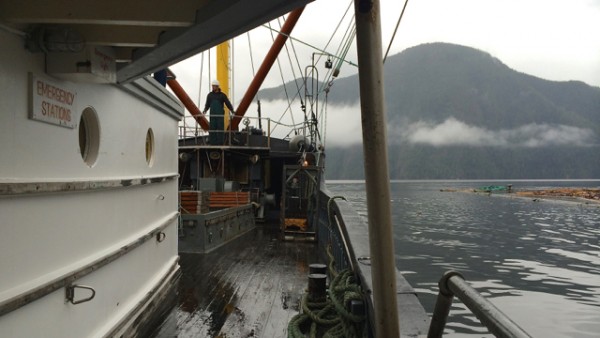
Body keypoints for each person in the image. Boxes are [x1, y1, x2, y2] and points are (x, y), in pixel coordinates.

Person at [203, 80, 234, 144]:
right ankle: (212, 142)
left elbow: (227, 103)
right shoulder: (210, 95)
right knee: (212, 129)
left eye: (214, 86)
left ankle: (220, 142)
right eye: (212, 86)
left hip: (220, 117)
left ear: (217, 87)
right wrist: (205, 110)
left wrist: (232, 110)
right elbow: (207, 104)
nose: (213, 87)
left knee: (220, 129)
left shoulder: (222, 95)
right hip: (212, 116)